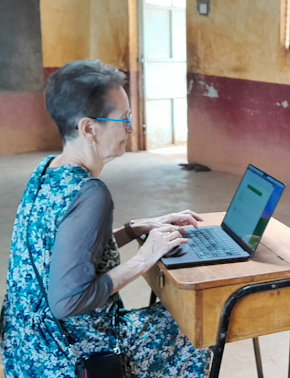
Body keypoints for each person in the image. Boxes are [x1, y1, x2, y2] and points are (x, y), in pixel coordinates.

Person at [0, 60, 210, 377]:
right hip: (65, 354)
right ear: (89, 129)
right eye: (123, 119)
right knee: (192, 328)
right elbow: (68, 302)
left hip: (23, 343)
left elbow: (69, 250)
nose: (130, 127)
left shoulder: (47, 170)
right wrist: (145, 258)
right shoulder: (90, 192)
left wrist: (135, 229)